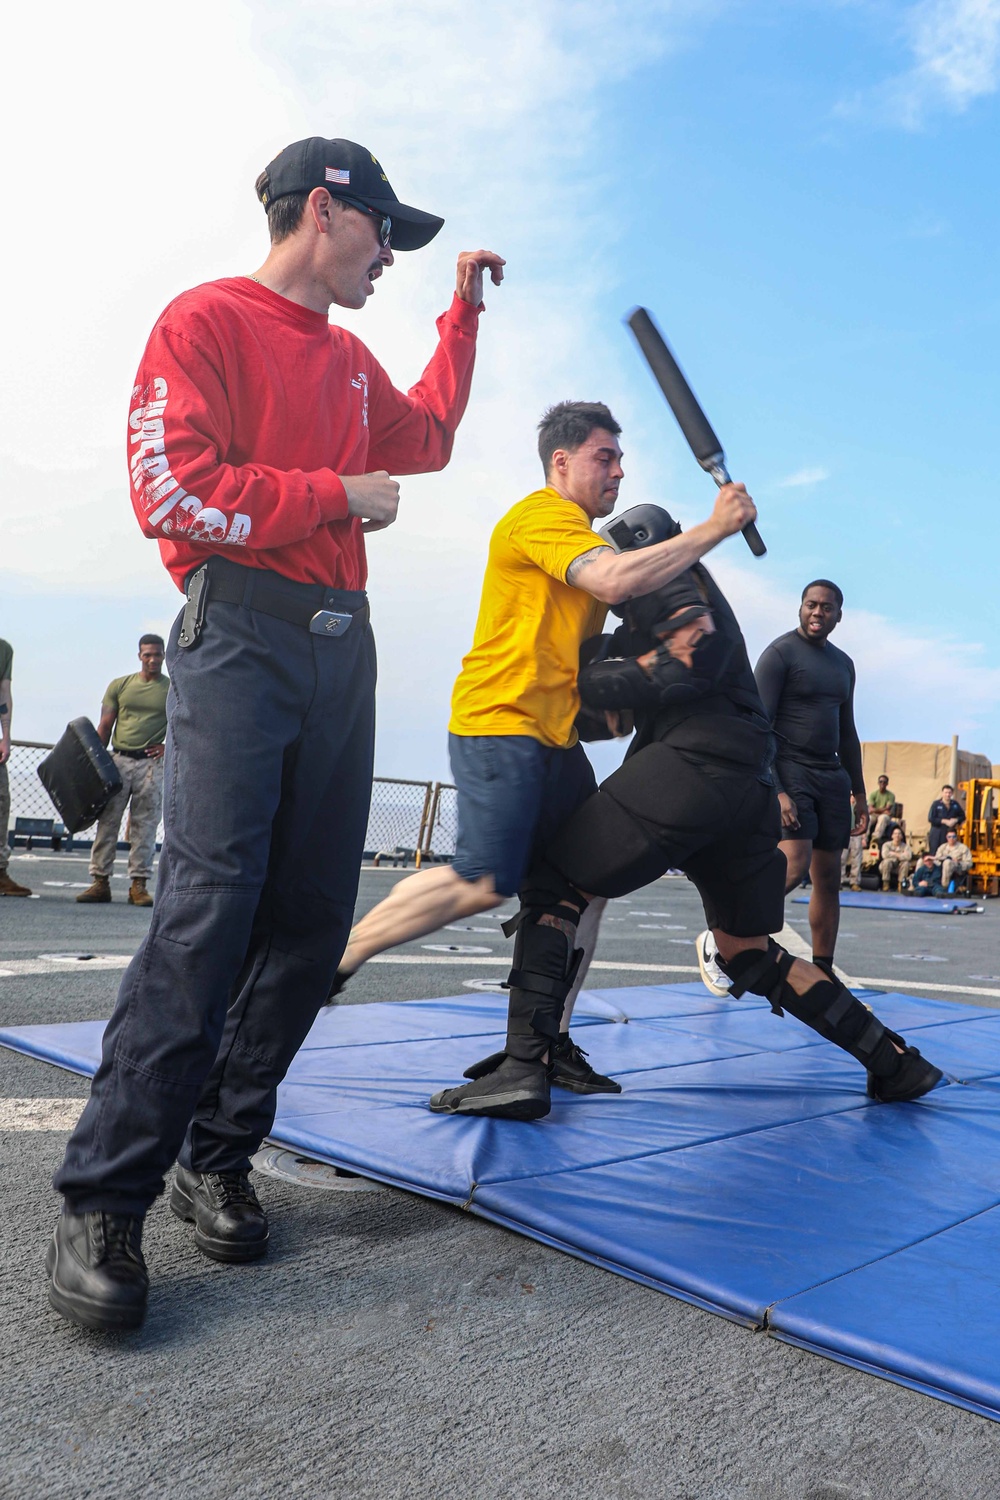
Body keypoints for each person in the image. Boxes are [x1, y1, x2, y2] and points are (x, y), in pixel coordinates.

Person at [47, 135, 506, 1334]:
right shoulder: (202, 321)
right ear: (320, 212)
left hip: (337, 641)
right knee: (210, 913)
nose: (387, 260)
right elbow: (172, 493)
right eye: (382, 236)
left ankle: (219, 1150)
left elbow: (430, 438)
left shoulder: (353, 362)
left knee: (308, 923)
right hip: (239, 633)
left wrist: (460, 317)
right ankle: (105, 1198)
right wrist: (330, 496)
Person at [426, 507, 942, 1121]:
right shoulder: (666, 610)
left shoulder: (675, 582)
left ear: (643, 544)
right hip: (744, 789)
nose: (606, 574)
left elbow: (685, 659)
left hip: (697, 770)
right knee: (747, 951)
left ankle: (521, 1066)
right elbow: (616, 714)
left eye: (612, 556)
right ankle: (894, 1061)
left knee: (555, 883)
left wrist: (587, 684)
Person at [334, 407, 757, 1094]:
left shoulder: (583, 535)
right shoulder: (540, 517)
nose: (618, 469)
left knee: (582, 884)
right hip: (500, 723)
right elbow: (616, 583)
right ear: (560, 462)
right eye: (604, 456)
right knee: (484, 880)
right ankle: (339, 958)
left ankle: (547, 1044)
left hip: (555, 738)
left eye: (621, 458)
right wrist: (715, 527)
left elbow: (631, 609)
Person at [744, 581, 868, 980]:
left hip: (831, 775)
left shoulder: (844, 664)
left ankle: (824, 970)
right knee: (794, 863)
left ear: (838, 615)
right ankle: (727, 934)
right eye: (811, 605)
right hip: (790, 768)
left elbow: (847, 731)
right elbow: (759, 727)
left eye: (827, 607)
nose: (818, 612)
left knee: (828, 878)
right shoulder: (780, 654)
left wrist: (860, 792)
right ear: (800, 608)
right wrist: (777, 789)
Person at [76, 635, 169, 908]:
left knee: (145, 824)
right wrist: (91, 762)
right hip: (119, 761)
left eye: (157, 655)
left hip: (151, 765)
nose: (152, 659)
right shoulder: (120, 686)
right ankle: (100, 882)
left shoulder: (173, 689)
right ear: (139, 655)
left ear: (164, 656)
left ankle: (138, 885)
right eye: (147, 655)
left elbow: (184, 723)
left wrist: (168, 747)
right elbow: (105, 726)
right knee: (108, 821)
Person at [0, 636, 32, 897]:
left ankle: (0, 873)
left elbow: (4, 692)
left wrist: (6, 737)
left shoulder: (3, 649)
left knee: (1, 803)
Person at [927, 785, 965, 855]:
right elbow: (931, 818)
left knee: (948, 853)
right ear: (942, 793)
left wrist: (956, 820)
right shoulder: (936, 804)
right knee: (935, 852)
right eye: (946, 792)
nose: (948, 795)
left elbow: (963, 816)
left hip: (950, 833)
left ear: (952, 794)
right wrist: (944, 821)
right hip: (937, 833)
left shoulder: (955, 805)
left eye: (949, 793)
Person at [934, 829, 972, 893]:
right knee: (922, 861)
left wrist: (959, 863)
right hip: (941, 867)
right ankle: (916, 886)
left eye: (953, 837)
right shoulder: (942, 847)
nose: (951, 838)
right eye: (949, 837)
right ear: (946, 837)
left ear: (956, 837)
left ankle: (945, 887)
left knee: (947, 863)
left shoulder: (963, 848)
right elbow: (936, 859)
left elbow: (969, 863)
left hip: (957, 869)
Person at [868, 775, 896, 846]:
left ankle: (875, 839)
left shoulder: (891, 795)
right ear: (878, 783)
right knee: (869, 818)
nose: (882, 783)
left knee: (882, 818)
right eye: (881, 782)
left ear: (887, 784)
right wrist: (883, 810)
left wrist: (875, 810)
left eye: (884, 782)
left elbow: (888, 808)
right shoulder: (873, 794)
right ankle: (863, 839)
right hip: (875, 815)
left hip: (884, 815)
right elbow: (870, 808)